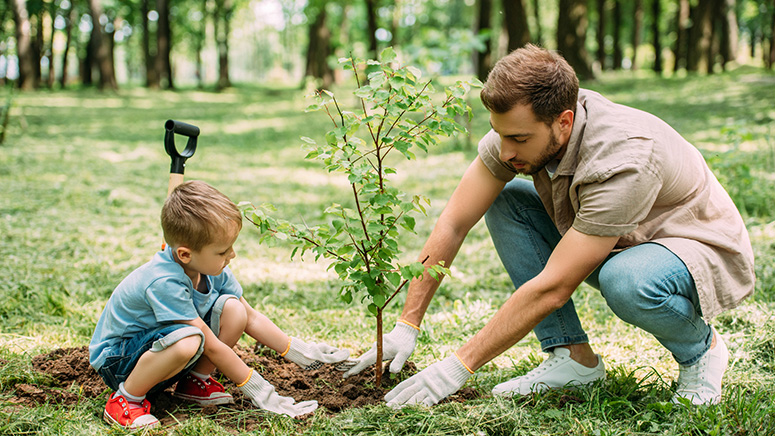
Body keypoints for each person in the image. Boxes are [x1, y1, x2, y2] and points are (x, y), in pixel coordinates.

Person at [343, 44, 755, 407]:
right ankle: (573, 360)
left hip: (691, 247)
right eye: (499, 134)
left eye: (519, 140)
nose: (505, 151)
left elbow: (555, 287)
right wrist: (406, 324)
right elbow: (454, 221)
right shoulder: (518, 130)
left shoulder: (624, 158)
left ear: (563, 121)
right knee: (506, 201)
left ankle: (702, 351)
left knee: (625, 280)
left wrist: (456, 366)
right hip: (617, 236)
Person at [89, 180, 351, 429]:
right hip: (120, 361)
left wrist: (300, 352)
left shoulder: (209, 268)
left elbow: (250, 317)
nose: (232, 255)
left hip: (159, 352)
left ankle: (194, 383)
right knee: (190, 339)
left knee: (234, 310)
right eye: (223, 251)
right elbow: (211, 346)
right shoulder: (163, 281)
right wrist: (261, 391)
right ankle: (126, 400)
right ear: (185, 254)